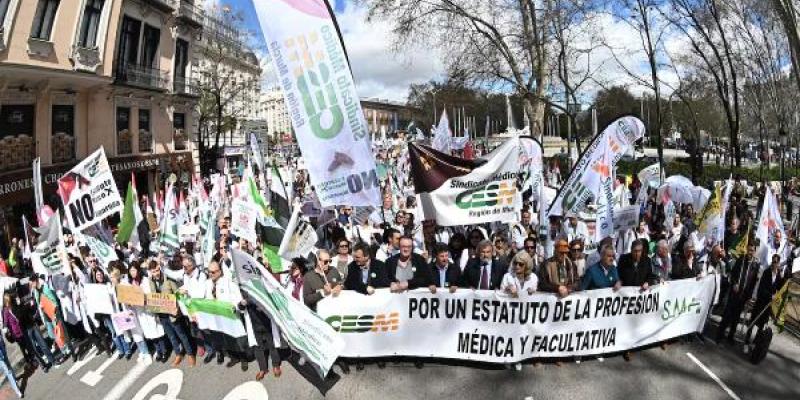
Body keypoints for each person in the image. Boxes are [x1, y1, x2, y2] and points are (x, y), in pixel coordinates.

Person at [148, 260, 195, 367]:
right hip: (162, 314)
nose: (156, 273)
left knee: (181, 335)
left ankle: (190, 354)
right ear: (150, 272)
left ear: (159, 268)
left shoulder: (168, 279)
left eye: (157, 270)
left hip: (173, 313)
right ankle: (178, 354)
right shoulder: (150, 281)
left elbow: (177, 292)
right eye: (153, 271)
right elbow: (152, 297)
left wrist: (178, 306)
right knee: (171, 337)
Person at [203, 260, 247, 370]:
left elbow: (237, 298)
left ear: (219, 272)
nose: (211, 274)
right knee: (226, 339)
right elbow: (204, 300)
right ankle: (234, 357)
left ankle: (244, 359)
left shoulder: (228, 282)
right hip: (217, 318)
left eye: (213, 272)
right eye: (209, 272)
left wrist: (237, 306)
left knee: (238, 339)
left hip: (230, 317)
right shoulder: (207, 284)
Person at [716, 243, 759, 344]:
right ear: (746, 250)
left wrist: (749, 297)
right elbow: (733, 274)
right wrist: (734, 283)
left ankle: (731, 336)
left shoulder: (755, 265)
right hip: (734, 293)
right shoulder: (741, 260)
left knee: (736, 317)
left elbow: (753, 283)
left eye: (752, 250)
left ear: (755, 252)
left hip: (743, 296)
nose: (750, 252)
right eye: (749, 250)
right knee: (727, 315)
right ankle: (719, 335)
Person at [744, 254, 787, 346]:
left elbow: (780, 287)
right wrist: (770, 296)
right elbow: (761, 288)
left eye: (775, 262)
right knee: (753, 321)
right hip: (760, 302)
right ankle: (746, 342)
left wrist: (784, 279)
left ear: (779, 263)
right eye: (773, 261)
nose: (773, 264)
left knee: (762, 325)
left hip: (768, 305)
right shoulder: (766, 272)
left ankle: (754, 343)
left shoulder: (779, 275)